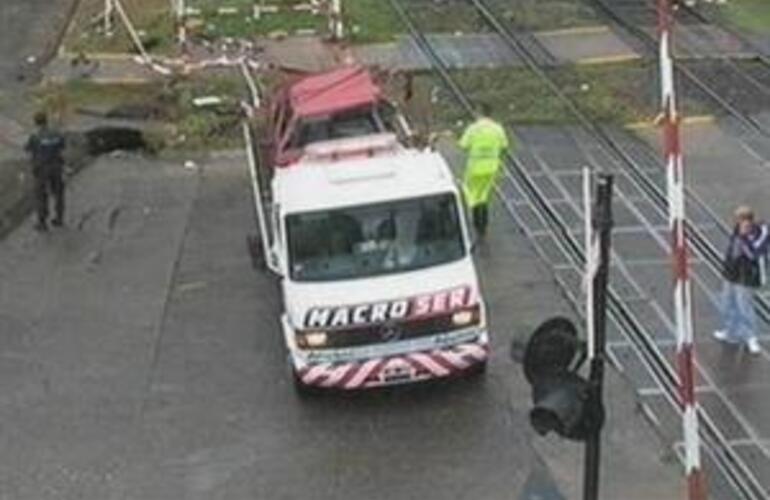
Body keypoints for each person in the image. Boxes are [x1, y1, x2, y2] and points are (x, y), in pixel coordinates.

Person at [713, 205, 769, 354]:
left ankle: (750, 337)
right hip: (732, 272)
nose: (739, 225)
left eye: (741, 221)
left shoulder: (761, 232)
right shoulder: (737, 230)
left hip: (747, 275)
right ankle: (730, 331)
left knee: (745, 306)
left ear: (749, 221)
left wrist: (744, 237)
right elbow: (733, 249)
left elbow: (754, 254)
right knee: (727, 303)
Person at [458, 102, 510, 238]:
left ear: (478, 113)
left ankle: (477, 224)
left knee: (473, 195)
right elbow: (504, 145)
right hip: (492, 168)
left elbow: (463, 145)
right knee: (484, 195)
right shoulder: (498, 128)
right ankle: (484, 224)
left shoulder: (473, 128)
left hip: (475, 168)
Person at [25, 112, 66, 231]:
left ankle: (42, 223)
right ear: (46, 121)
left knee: (41, 195)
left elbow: (28, 149)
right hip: (57, 167)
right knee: (58, 193)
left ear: (35, 122)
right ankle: (59, 218)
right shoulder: (57, 133)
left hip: (41, 169)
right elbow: (62, 147)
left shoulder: (35, 136)